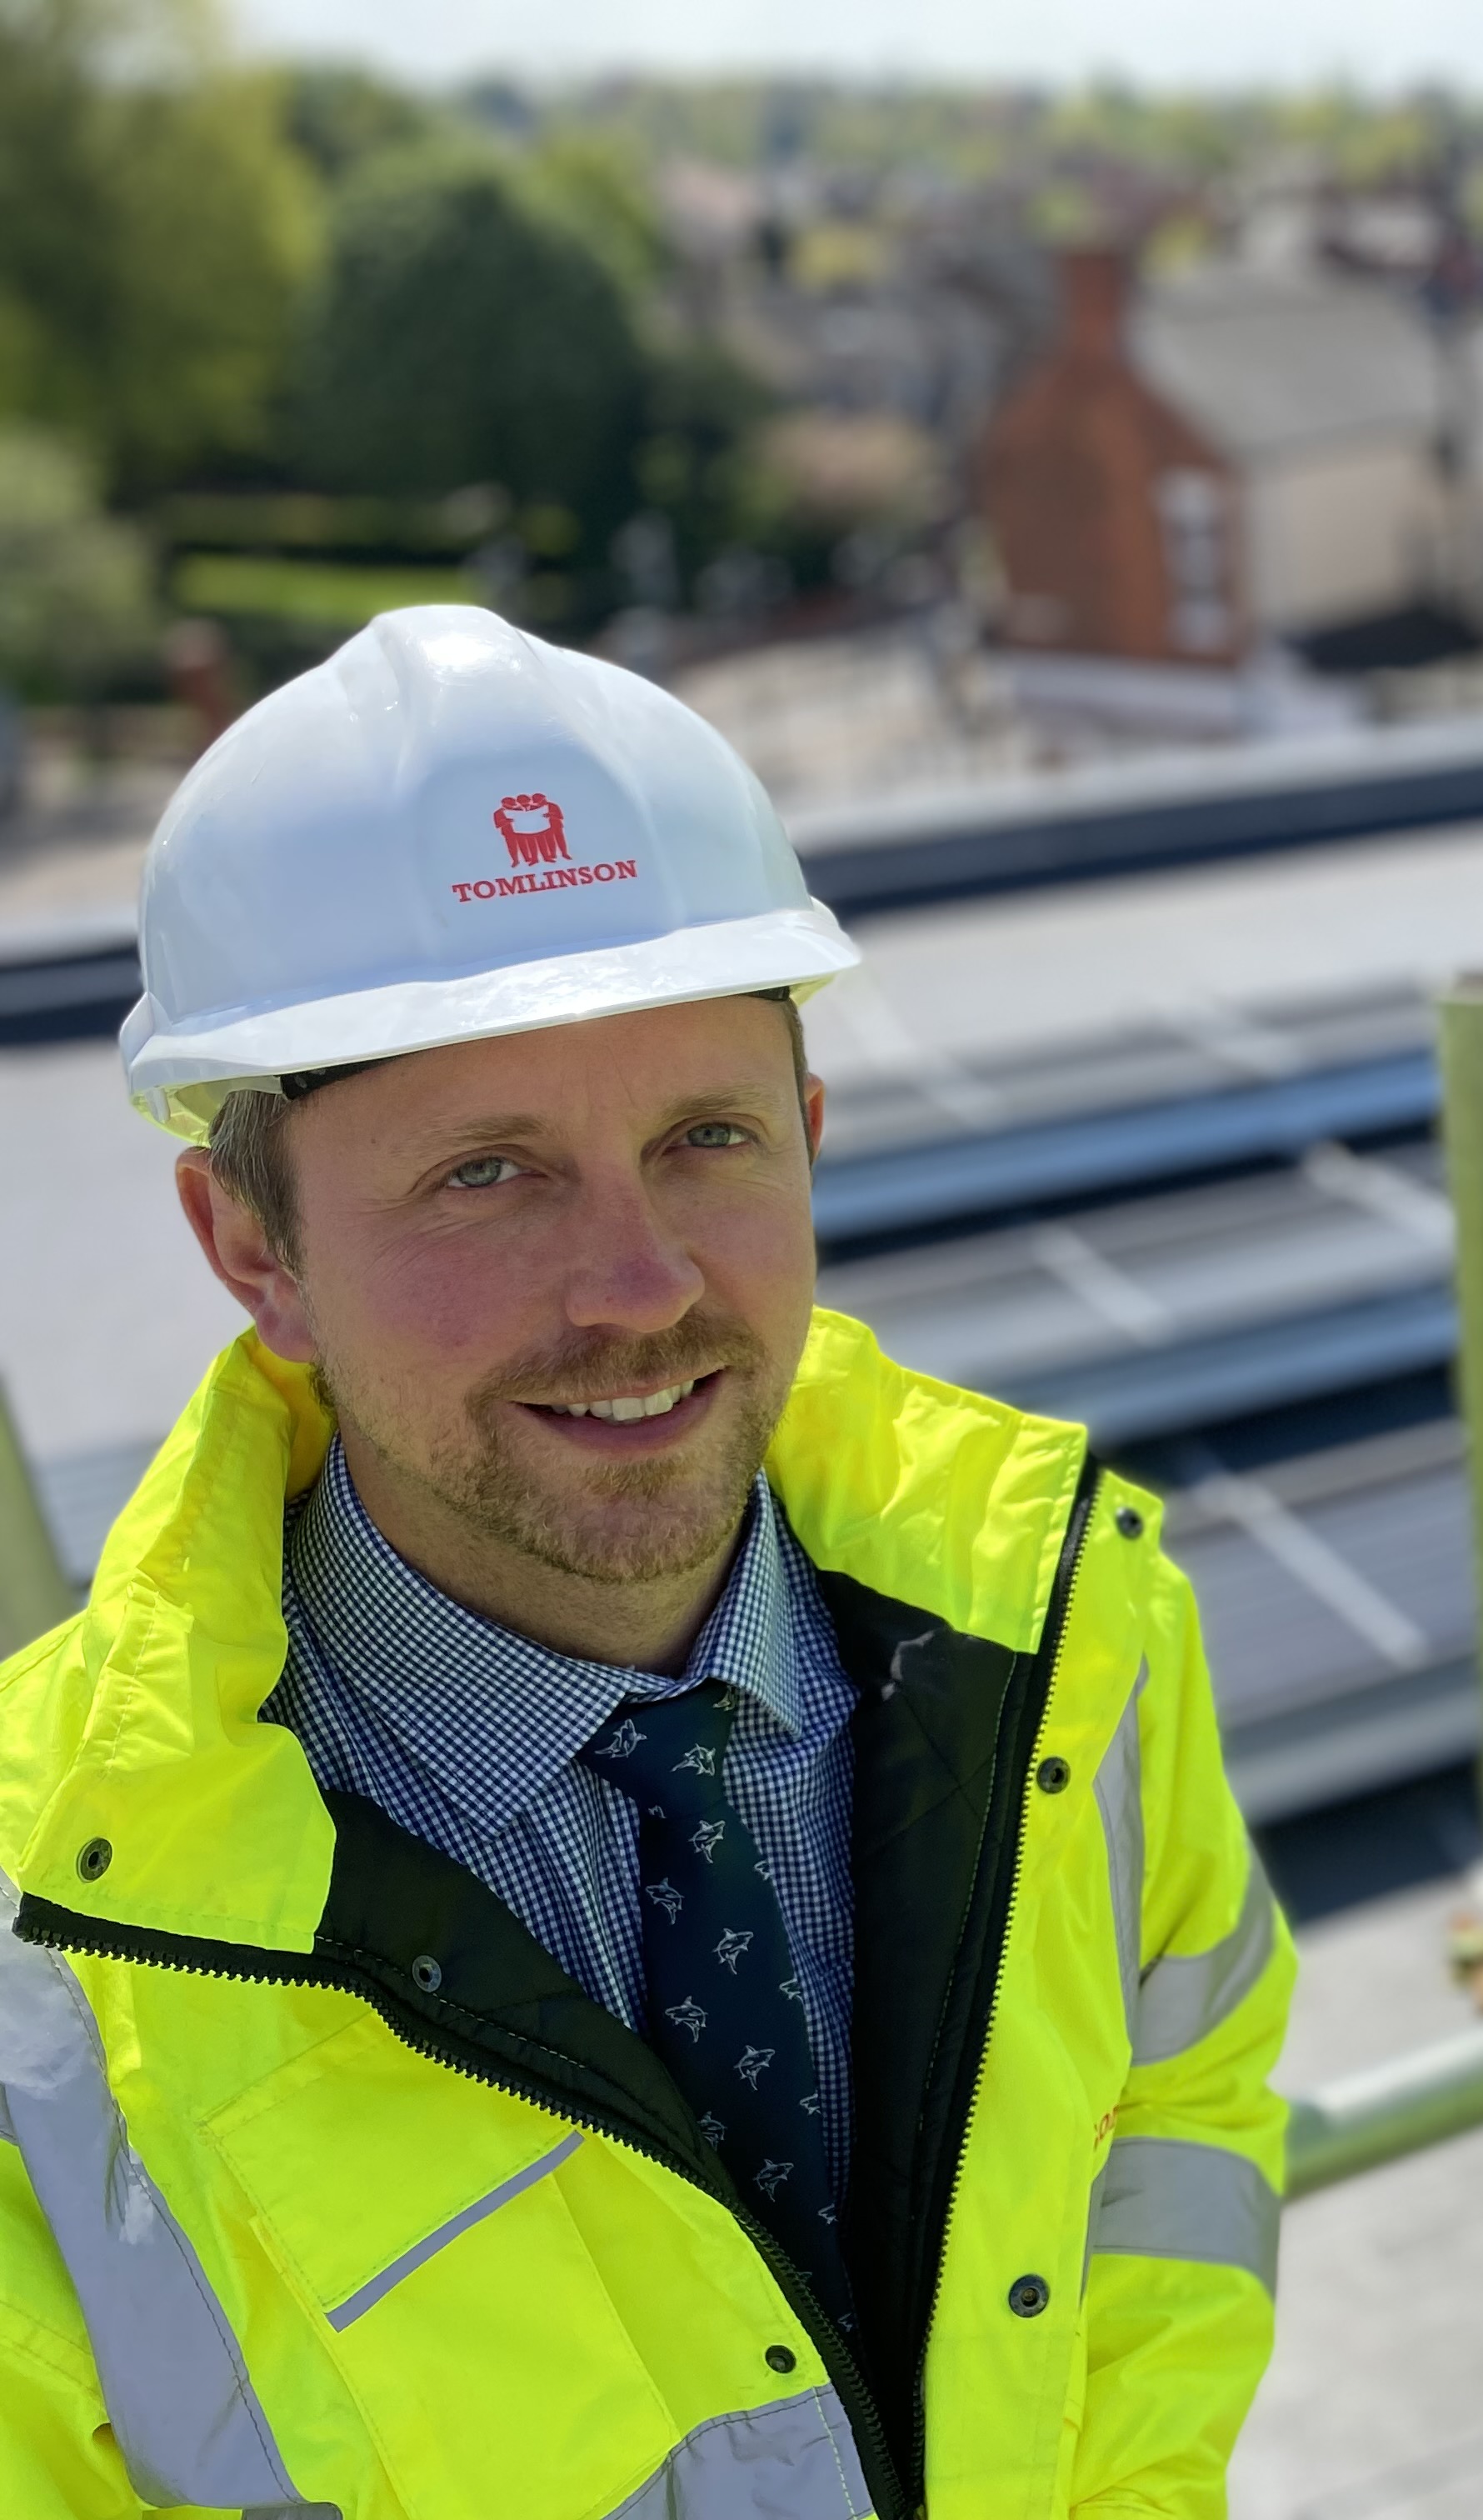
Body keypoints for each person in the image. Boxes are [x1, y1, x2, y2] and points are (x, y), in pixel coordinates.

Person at [0, 609, 1290, 2519]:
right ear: (251, 1248)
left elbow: (1176, 2139)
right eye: (485, 1175)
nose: (643, 1289)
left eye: (706, 1139)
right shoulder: (47, 1981)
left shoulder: (1082, 1634)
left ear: (815, 1138)